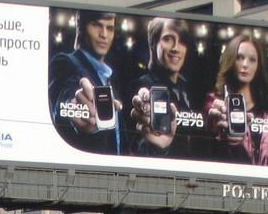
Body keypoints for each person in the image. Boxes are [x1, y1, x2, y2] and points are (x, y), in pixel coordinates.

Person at [48, 9, 125, 155]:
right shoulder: (65, 62)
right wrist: (74, 106)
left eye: (109, 28)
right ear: (81, 27)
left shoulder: (110, 78)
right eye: (97, 25)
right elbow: (65, 96)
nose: (104, 35)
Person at [203, 33, 268, 166]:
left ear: (258, 65)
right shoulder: (215, 103)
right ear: (231, 60)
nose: (245, 64)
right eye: (239, 57)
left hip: (267, 183)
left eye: (252, 60)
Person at [129, 17, 193, 157]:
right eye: (168, 39)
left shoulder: (188, 88)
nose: (176, 48)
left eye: (181, 41)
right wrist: (159, 147)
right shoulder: (141, 87)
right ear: (153, 43)